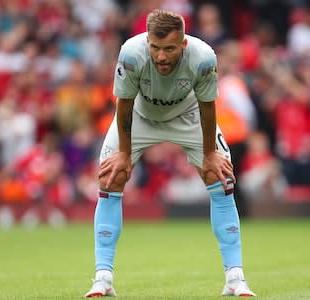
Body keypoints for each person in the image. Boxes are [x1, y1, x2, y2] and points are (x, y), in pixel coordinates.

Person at [84, 9, 255, 297]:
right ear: (148, 41)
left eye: (169, 49)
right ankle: (103, 278)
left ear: (183, 44)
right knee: (111, 176)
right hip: (139, 114)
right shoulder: (131, 53)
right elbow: (123, 104)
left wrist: (210, 153)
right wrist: (124, 154)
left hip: (187, 114)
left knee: (220, 177)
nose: (161, 57)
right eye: (155, 48)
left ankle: (235, 278)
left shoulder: (203, 57)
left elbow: (207, 105)